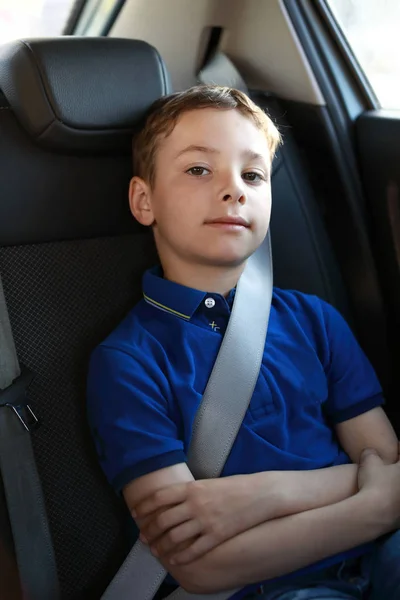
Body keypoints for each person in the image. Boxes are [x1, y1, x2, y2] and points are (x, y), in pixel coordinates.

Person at [87, 85, 400, 600]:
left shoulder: (315, 321)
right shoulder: (128, 363)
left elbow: (386, 460)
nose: (234, 189)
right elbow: (201, 567)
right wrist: (375, 505)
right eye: (198, 170)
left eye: (252, 174)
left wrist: (259, 494)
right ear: (145, 201)